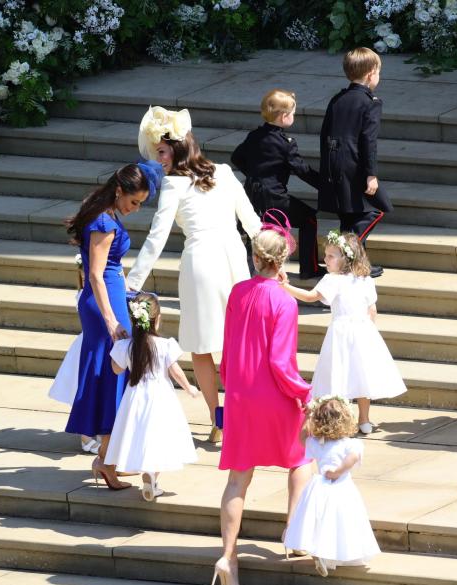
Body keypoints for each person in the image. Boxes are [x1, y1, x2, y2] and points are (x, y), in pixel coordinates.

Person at [130, 106, 262, 444]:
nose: (157, 159)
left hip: (201, 263)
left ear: (177, 147)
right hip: (234, 260)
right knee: (235, 344)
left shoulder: (174, 185)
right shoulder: (225, 172)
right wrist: (273, 266)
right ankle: (240, 416)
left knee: (203, 348)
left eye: (161, 151)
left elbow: (157, 237)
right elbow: (252, 223)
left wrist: (132, 283)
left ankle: (218, 421)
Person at [214, 222, 314, 585]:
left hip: (240, 393)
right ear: (283, 259)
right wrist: (305, 391)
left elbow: (228, 346)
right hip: (273, 394)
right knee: (301, 460)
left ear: (255, 257)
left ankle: (228, 556)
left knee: (238, 479)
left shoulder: (239, 292)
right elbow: (281, 362)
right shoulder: (285, 301)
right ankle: (295, 534)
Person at [63, 162, 160, 490]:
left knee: (112, 376)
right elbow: (95, 273)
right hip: (103, 304)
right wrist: (110, 319)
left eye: (141, 204)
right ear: (120, 191)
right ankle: (106, 460)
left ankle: (109, 457)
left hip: (110, 296)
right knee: (111, 376)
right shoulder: (104, 220)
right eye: (134, 202)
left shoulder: (103, 211)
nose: (135, 209)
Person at [282, 231, 406, 434]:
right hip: (363, 330)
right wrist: (368, 332)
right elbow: (372, 310)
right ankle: (364, 420)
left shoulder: (333, 280)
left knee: (340, 375)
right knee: (360, 375)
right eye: (326, 255)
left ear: (346, 258)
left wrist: (285, 287)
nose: (326, 260)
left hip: (341, 332)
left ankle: (344, 421)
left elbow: (311, 297)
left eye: (331, 256)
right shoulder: (365, 279)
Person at [104, 292, 200, 500]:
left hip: (135, 397)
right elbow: (175, 371)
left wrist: (119, 349)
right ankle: (152, 477)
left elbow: (116, 370)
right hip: (161, 397)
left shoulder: (126, 346)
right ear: (157, 319)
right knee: (159, 436)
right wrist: (189, 387)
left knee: (139, 434)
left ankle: (149, 475)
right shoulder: (165, 345)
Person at [231, 89, 325, 280]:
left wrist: (255, 175)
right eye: (292, 114)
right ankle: (309, 268)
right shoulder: (285, 143)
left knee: (255, 232)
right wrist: (326, 186)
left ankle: (249, 276)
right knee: (309, 219)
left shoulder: (255, 135)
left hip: (251, 194)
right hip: (274, 197)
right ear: (283, 117)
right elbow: (302, 170)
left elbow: (236, 157)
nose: (293, 117)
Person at [283, 395, 380, 577]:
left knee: (319, 521)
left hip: (318, 486)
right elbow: (352, 459)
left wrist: (307, 416)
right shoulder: (352, 444)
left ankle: (319, 552)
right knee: (340, 522)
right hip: (341, 487)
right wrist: (338, 471)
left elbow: (302, 437)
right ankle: (337, 552)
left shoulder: (317, 444)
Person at [318, 47, 390, 278]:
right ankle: (346, 254)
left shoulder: (337, 99)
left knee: (349, 215)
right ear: (371, 74)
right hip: (355, 165)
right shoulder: (370, 103)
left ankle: (360, 265)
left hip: (335, 164)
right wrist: (371, 173)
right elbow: (368, 140)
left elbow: (324, 135)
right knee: (375, 209)